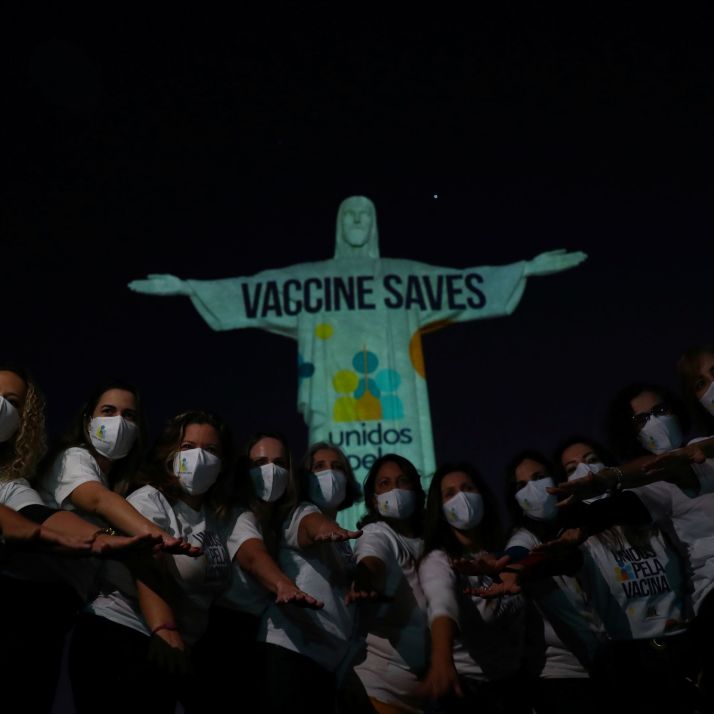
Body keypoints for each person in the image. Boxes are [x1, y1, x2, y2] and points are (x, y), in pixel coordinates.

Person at [129, 195, 588, 529]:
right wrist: (189, 287)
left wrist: (524, 269)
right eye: (348, 215)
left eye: (363, 215)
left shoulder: (400, 276)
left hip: (398, 407)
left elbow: (462, 283)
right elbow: (254, 290)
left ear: (373, 223)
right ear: (338, 224)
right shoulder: (314, 281)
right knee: (334, 477)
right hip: (339, 406)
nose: (356, 222)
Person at [0, 366, 156, 713]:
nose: (119, 422)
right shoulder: (74, 459)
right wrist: (146, 534)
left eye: (12, 401)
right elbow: (86, 505)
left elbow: (34, 512)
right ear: (87, 420)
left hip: (53, 612)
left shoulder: (12, 483)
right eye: (108, 411)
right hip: (23, 599)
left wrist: (105, 537)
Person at [68, 409, 235, 714]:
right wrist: (164, 627)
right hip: (123, 636)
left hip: (174, 651)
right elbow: (145, 559)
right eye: (188, 447)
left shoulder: (216, 519)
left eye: (211, 450)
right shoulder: (148, 500)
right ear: (170, 454)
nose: (199, 457)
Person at [545, 437, 700, 714]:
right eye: (572, 468)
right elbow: (565, 564)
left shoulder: (652, 519)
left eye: (592, 460)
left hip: (683, 644)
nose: (585, 470)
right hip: (630, 660)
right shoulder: (576, 536)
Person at [252, 434, 362, 714]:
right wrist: (324, 529)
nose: (330, 474)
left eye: (337, 467)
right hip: (291, 653)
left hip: (325, 664)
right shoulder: (300, 512)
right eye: (319, 467)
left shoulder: (345, 542)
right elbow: (311, 526)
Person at [418, 462, 529, 713]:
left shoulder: (504, 551)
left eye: (468, 488)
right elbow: (442, 604)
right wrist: (441, 658)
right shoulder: (439, 560)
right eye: (450, 493)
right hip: (468, 692)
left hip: (515, 685)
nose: (462, 497)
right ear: (440, 510)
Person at [503, 450, 606, 714]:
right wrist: (510, 569)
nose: (533, 488)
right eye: (521, 485)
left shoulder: (584, 522)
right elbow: (517, 554)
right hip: (562, 674)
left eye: (539, 477)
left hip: (614, 659)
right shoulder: (524, 537)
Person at [346, 452, 428, 714]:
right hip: (379, 695)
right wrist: (366, 579)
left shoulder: (432, 542)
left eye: (403, 481)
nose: (395, 490)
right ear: (373, 499)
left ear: (416, 489)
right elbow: (371, 561)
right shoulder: (377, 532)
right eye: (385, 483)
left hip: (428, 698)